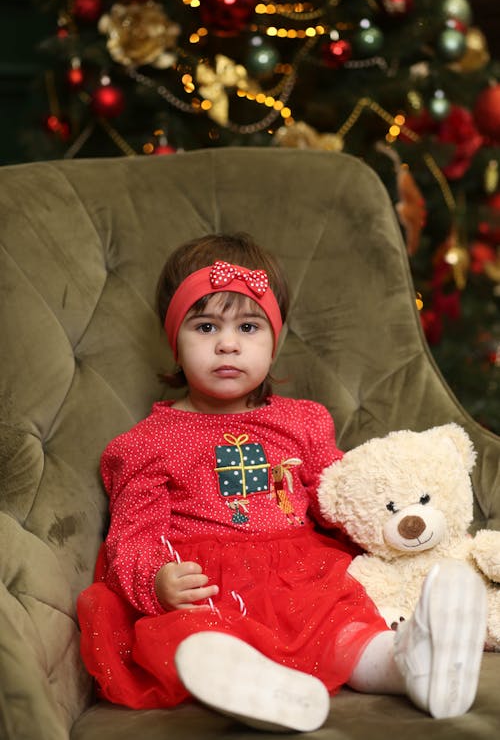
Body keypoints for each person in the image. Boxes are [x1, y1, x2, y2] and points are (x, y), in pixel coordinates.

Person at [77, 232, 487, 732]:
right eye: (206, 327)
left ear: (275, 342)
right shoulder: (147, 442)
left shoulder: (303, 423)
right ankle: (261, 691)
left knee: (344, 628)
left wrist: (394, 533)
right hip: (209, 587)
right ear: (175, 342)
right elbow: (132, 536)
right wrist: (157, 581)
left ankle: (412, 664)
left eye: (249, 326)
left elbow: (340, 497)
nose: (228, 343)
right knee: (196, 635)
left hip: (301, 575)